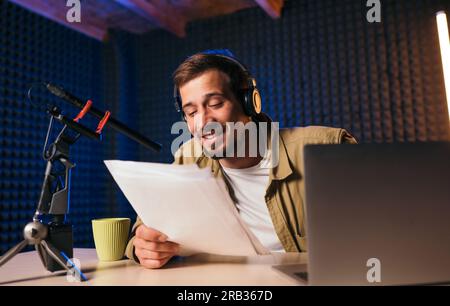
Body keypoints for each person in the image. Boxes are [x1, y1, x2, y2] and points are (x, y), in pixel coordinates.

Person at [125, 50, 357, 269]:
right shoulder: (189, 157)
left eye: (215, 104)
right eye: (192, 112)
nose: (203, 122)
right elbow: (144, 229)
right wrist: (142, 247)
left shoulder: (327, 148)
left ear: (250, 103)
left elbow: (379, 233)